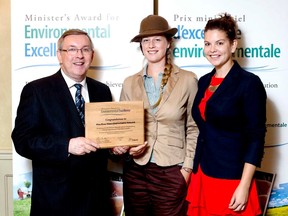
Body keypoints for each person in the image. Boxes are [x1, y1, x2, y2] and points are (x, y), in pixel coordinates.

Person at [12, 29, 114, 216]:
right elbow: (22, 140)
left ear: (92, 55)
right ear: (59, 55)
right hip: (56, 202)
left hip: (96, 202)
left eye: (85, 49)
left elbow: (105, 139)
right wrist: (66, 145)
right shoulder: (36, 90)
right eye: (72, 49)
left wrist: (116, 148)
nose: (79, 55)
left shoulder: (102, 91)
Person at [112, 15, 199, 216]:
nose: (151, 45)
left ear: (168, 43)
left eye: (157, 39)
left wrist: (186, 170)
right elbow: (123, 128)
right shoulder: (129, 83)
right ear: (141, 46)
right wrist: (126, 148)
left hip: (171, 170)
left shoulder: (188, 80)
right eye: (146, 40)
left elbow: (194, 128)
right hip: (136, 171)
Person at [186, 13, 267, 216]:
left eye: (219, 43)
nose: (212, 50)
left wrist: (244, 186)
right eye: (207, 44)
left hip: (232, 177)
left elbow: (255, 139)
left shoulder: (249, 83)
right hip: (202, 173)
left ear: (232, 45)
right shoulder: (203, 81)